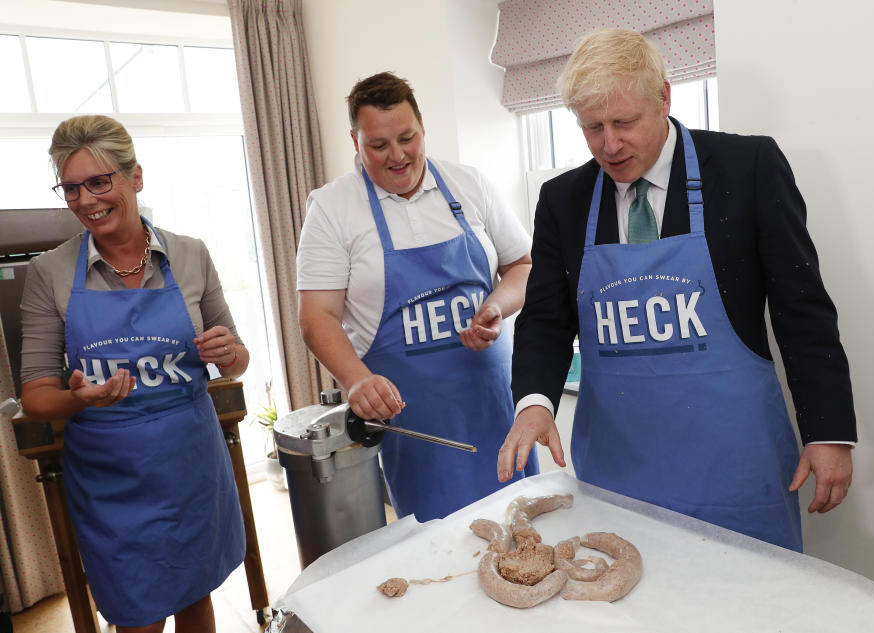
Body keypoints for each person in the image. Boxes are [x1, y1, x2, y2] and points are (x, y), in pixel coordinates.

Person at [497, 29, 857, 552]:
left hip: (735, 463)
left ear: (664, 97)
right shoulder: (563, 200)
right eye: (592, 128)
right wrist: (535, 402)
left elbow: (801, 308)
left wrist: (827, 430)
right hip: (618, 465)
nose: (610, 145)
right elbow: (546, 318)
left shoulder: (747, 167)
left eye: (624, 123)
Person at [19, 115, 248, 632]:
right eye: (71, 188)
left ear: (135, 178)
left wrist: (227, 352)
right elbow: (35, 395)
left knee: (195, 596)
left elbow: (237, 356)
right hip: (112, 483)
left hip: (191, 467)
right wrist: (80, 399)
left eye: (99, 182)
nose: (85, 200)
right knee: (136, 615)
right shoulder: (49, 273)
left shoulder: (190, 254)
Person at [297, 72, 538, 522]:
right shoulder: (332, 208)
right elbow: (317, 316)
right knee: (441, 559)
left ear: (422, 127)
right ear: (355, 141)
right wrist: (357, 381)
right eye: (378, 145)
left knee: (527, 538)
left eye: (407, 138)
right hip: (419, 434)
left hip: (496, 413)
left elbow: (522, 266)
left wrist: (496, 307)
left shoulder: (470, 185)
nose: (398, 156)